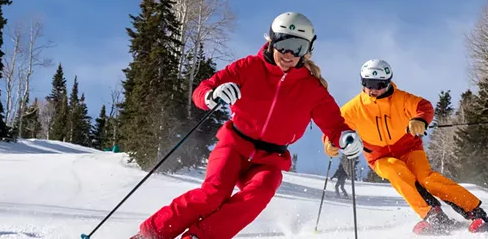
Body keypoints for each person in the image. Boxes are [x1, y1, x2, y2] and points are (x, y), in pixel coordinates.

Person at [131, 12, 363, 239]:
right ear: (271, 41)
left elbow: (335, 125)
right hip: (234, 146)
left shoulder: (312, 89)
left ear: (308, 51)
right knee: (213, 194)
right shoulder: (248, 67)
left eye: (298, 47)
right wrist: (212, 95)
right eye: (284, 44)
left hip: (271, 158)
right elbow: (201, 92)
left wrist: (344, 138)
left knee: (260, 193)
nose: (289, 53)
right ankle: (151, 235)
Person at [322, 59, 488, 234]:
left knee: (426, 178)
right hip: (379, 157)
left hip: (409, 148)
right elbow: (334, 127)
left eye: (379, 84)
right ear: (362, 82)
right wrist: (330, 143)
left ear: (388, 82)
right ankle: (433, 216)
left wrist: (419, 120)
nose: (373, 89)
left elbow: (424, 107)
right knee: (396, 171)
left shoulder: (402, 99)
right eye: (368, 84)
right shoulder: (354, 108)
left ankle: (475, 212)